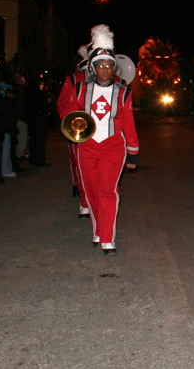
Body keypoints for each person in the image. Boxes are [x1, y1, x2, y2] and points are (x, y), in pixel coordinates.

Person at [62, 25, 138, 255]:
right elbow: (70, 115)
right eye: (100, 65)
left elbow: (129, 124)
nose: (105, 69)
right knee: (92, 191)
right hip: (87, 146)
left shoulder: (123, 91)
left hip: (114, 146)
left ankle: (107, 237)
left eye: (108, 65)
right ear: (93, 68)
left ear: (113, 68)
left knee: (108, 190)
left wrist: (133, 151)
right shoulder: (80, 89)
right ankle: (97, 229)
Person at [57, 43, 94, 218]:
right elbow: (62, 104)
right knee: (79, 163)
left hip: (101, 130)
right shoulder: (73, 79)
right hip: (79, 128)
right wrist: (74, 122)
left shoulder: (107, 79)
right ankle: (82, 194)